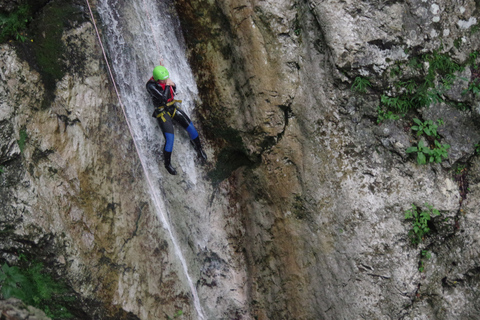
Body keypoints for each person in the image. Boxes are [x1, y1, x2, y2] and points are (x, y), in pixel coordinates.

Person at [146, 65, 207, 175]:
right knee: (170, 139)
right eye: (163, 79)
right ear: (157, 79)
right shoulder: (151, 86)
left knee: (191, 128)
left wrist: (172, 85)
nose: (165, 80)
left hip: (172, 107)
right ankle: (167, 164)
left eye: (166, 78)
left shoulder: (165, 81)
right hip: (161, 111)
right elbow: (163, 99)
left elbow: (173, 91)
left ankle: (199, 149)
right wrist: (168, 84)